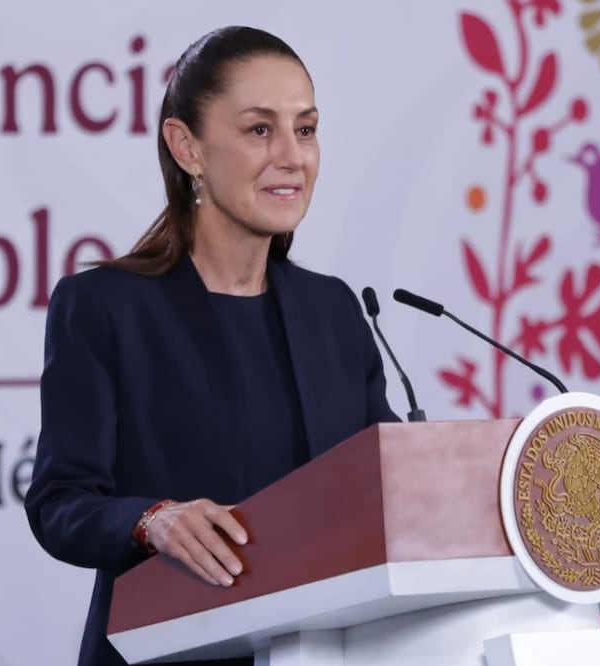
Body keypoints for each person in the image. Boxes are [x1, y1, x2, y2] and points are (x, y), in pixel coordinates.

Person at [24, 26, 399, 666]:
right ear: (187, 147)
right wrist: (152, 521)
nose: (292, 156)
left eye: (305, 130)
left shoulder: (334, 311)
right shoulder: (105, 308)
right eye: (260, 130)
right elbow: (61, 504)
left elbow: (389, 485)